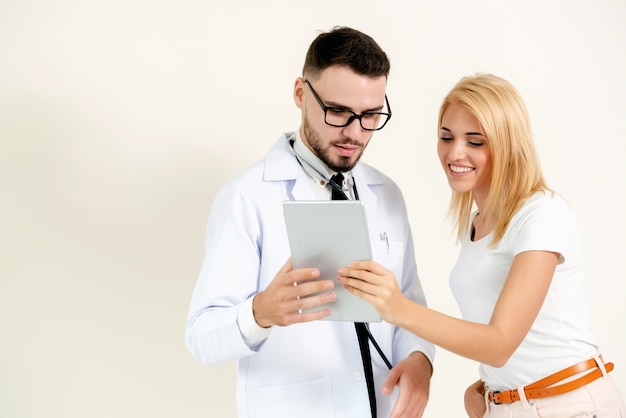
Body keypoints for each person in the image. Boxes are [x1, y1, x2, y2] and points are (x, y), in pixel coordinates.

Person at [338, 73, 625, 417]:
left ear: (506, 144)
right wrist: (492, 392)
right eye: (447, 137)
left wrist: (398, 308)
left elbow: (500, 343)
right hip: (515, 405)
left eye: (475, 141)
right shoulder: (476, 224)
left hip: (570, 405)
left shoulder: (543, 214)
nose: (454, 152)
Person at [185, 26, 435, 418]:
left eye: (370, 115)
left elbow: (410, 307)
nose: (355, 133)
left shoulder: (387, 194)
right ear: (301, 94)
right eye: (338, 112)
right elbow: (201, 338)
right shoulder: (247, 197)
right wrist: (261, 312)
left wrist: (421, 361)